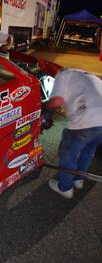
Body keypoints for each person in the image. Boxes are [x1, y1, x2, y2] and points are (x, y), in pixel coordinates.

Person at [44, 68, 102, 199]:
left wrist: (45, 108)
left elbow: (57, 101)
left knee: (68, 154)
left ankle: (65, 187)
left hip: (85, 120)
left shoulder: (62, 75)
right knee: (88, 151)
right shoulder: (87, 74)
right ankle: (78, 179)